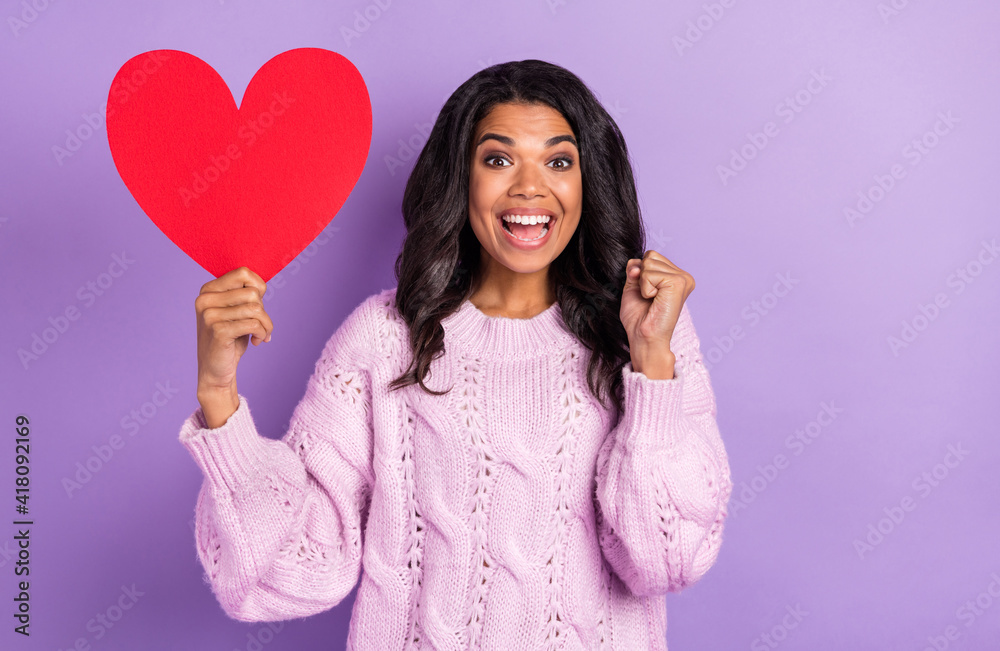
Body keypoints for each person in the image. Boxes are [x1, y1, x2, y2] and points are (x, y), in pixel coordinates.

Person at [179, 58, 733, 650]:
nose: (529, 186)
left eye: (558, 161)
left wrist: (650, 361)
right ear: (460, 179)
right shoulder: (383, 339)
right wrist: (219, 398)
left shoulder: (648, 332)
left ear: (588, 181)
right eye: (498, 159)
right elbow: (291, 572)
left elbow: (669, 561)